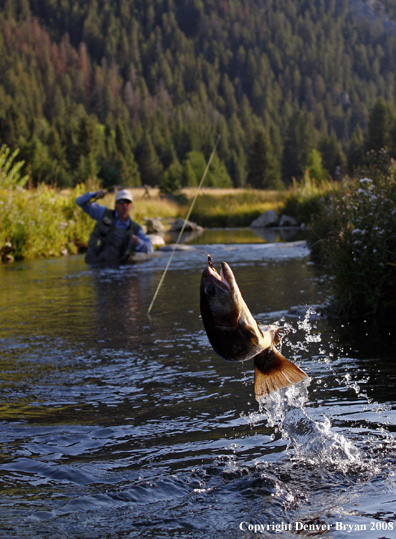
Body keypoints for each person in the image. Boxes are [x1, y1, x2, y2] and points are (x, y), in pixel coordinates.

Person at [76, 188, 154, 264]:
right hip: (96, 264)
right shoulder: (102, 213)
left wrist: (138, 243)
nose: (124, 205)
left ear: (131, 205)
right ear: (115, 204)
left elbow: (150, 248)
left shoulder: (135, 228)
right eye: (121, 202)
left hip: (119, 268)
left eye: (127, 202)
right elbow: (79, 201)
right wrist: (95, 195)